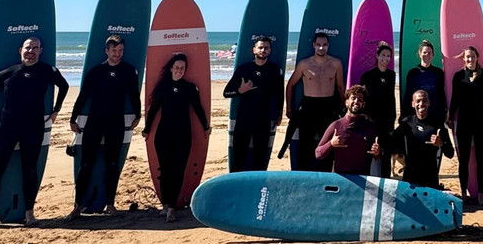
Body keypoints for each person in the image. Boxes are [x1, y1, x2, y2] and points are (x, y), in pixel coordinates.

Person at [0, 36, 69, 232]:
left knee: (30, 171)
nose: (31, 51)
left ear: (40, 51)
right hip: (7, 127)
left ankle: (29, 213)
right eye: (28, 48)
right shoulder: (10, 72)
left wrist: (56, 109)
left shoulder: (47, 71)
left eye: (35, 48)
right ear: (20, 50)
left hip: (33, 128)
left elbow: (64, 86)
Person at [67, 35, 142, 218]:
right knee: (86, 164)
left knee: (112, 164)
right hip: (94, 122)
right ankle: (77, 206)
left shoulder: (129, 71)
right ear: (107, 51)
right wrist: (73, 118)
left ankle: (110, 204)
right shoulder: (96, 71)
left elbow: (134, 95)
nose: (117, 54)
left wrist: (138, 115)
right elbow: (83, 96)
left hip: (115, 123)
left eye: (121, 51)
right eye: (114, 50)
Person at [141, 53, 210, 222]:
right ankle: (165, 205)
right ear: (171, 68)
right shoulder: (163, 87)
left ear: (185, 70)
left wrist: (205, 127)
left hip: (183, 135)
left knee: (178, 171)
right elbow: (153, 110)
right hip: (163, 135)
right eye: (177, 67)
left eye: (182, 68)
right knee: (164, 171)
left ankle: (171, 208)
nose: (179, 70)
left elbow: (198, 108)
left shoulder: (190, 88)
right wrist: (147, 129)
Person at [284, 32, 345, 171]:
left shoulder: (336, 63)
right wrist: (289, 109)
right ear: (313, 45)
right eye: (318, 45)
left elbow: (341, 88)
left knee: (328, 144)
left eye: (324, 45)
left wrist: (344, 109)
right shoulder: (304, 64)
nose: (321, 48)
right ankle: (303, 174)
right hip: (308, 107)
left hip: (328, 106)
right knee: (305, 144)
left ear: (328, 45)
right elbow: (290, 85)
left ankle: (325, 174)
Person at [223, 36, 284, 172]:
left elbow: (280, 94)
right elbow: (226, 93)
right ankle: (236, 180)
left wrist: (279, 114)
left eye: (266, 48)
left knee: (260, 157)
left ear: (270, 50)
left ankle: (258, 182)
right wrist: (240, 90)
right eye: (260, 47)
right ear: (254, 50)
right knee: (239, 155)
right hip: (244, 118)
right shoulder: (244, 69)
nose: (263, 50)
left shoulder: (275, 71)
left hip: (263, 119)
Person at [448, 47, 483, 205]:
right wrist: (450, 117)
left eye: (472, 56)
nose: (470, 59)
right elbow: (455, 99)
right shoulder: (458, 76)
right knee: (464, 159)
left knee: (480, 158)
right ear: (464, 59)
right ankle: (463, 192)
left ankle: (481, 193)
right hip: (463, 122)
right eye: (467, 57)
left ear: (477, 57)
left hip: (480, 122)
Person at [314, 85, 382, 175]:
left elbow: (377, 157)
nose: (356, 101)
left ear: (363, 104)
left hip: (361, 179)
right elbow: (318, 154)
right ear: (346, 102)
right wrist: (331, 143)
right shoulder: (336, 126)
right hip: (340, 179)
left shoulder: (369, 127)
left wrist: (377, 153)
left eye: (360, 99)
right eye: (353, 98)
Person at [393, 89, 454, 188]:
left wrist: (441, 144)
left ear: (429, 103)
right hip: (410, 179)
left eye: (424, 101)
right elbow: (390, 144)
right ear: (413, 104)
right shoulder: (406, 123)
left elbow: (450, 153)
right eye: (418, 101)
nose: (421, 104)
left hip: (430, 179)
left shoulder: (437, 124)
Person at [359, 42, 396, 177]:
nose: (386, 58)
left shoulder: (391, 75)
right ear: (377, 56)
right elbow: (362, 98)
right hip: (371, 120)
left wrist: (393, 119)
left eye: (388, 56)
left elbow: (391, 98)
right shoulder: (368, 75)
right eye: (383, 55)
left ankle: (386, 179)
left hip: (386, 121)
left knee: (386, 153)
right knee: (370, 151)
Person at [402, 40, 447, 128]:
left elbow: (441, 94)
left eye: (429, 53)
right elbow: (408, 95)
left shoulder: (438, 72)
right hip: (418, 114)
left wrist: (445, 111)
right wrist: (404, 114)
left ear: (433, 55)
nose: (427, 55)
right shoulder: (413, 73)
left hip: (435, 113)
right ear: (420, 54)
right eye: (424, 52)